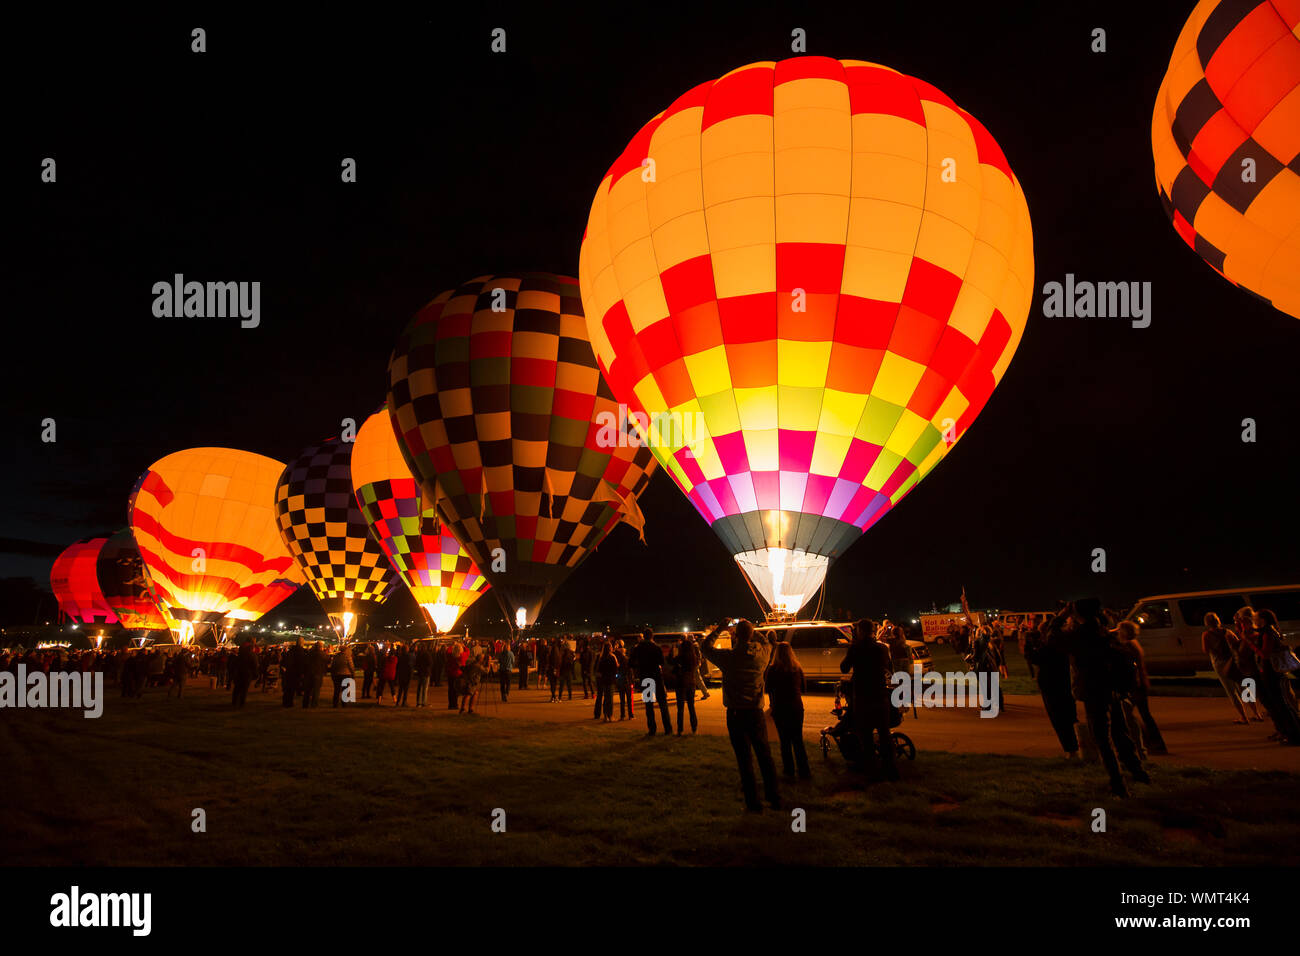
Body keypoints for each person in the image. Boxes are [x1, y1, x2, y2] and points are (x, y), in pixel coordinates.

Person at [1067, 599, 1148, 798]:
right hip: (1111, 689)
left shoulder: (1082, 635)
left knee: (1102, 738)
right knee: (1121, 733)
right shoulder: (1104, 631)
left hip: (1094, 690)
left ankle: (1118, 783)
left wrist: (1060, 616)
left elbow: (1052, 639)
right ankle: (1137, 771)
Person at [700, 619, 780, 812]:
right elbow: (770, 642)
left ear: (736, 636)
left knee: (744, 760)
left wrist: (720, 628)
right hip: (756, 712)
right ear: (751, 634)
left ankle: (753, 803)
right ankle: (774, 797)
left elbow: (705, 647)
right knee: (764, 756)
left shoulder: (729, 657)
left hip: (736, 713)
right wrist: (754, 632)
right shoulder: (762, 654)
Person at [839, 619, 898, 783]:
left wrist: (852, 649)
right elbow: (888, 667)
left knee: (865, 736)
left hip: (863, 697)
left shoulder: (856, 648)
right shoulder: (881, 648)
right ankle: (891, 769)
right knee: (885, 735)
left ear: (860, 631)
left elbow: (844, 667)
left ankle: (872, 771)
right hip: (880, 696)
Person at [1244, 609, 1300, 745]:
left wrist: (1250, 644)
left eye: (1256, 618)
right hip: (1270, 672)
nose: (1254, 621)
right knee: (1280, 703)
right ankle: (1290, 732)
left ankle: (1294, 735)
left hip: (1272, 673)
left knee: (1282, 704)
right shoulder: (1267, 631)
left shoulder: (1268, 633)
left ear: (1263, 620)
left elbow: (1265, 654)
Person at [1030, 609, 1079, 758]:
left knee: (1061, 719)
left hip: (1052, 686)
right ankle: (1080, 746)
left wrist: (1027, 647)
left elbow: (1036, 658)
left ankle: (1072, 749)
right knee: (1069, 717)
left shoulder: (1051, 646)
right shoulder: (1060, 645)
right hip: (1062, 684)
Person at [1114, 620, 1167, 755]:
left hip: (1135, 685)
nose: (1117, 632)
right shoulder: (1134, 644)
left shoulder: (1128, 646)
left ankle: (1151, 743)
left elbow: (1131, 665)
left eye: (1119, 630)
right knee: (1142, 714)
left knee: (1132, 715)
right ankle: (1154, 743)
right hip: (1139, 683)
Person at [765, 641, 811, 780]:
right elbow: (804, 688)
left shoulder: (773, 669)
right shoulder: (797, 668)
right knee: (798, 740)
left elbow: (767, 689)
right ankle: (804, 771)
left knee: (785, 741)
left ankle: (789, 770)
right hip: (796, 707)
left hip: (780, 708)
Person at [1201, 612, 1252, 724]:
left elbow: (1205, 650)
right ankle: (1256, 713)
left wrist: (1215, 649)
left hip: (1219, 664)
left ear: (1207, 623)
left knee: (1231, 690)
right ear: (1218, 620)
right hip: (1232, 661)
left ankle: (1244, 717)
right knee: (1243, 686)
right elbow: (1237, 643)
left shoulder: (1206, 635)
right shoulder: (1227, 632)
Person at [631, 629, 672, 736]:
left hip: (645, 677)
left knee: (649, 705)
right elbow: (662, 662)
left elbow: (631, 662)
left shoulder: (638, 648)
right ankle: (668, 728)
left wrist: (639, 667)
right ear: (652, 636)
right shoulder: (656, 647)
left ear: (643, 636)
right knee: (663, 704)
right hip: (656, 677)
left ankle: (652, 729)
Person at [674, 635, 699, 734]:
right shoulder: (694, 658)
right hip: (691, 683)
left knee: (680, 708)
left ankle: (680, 729)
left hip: (681, 682)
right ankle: (694, 727)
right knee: (691, 706)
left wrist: (675, 652)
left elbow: (670, 661)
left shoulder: (680, 657)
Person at [594, 641, 617, 722]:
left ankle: (605, 716)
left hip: (604, 680)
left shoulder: (601, 658)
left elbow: (599, 670)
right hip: (610, 680)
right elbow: (615, 669)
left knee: (606, 698)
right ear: (610, 648)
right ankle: (610, 715)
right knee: (609, 699)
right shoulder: (612, 657)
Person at [232, 641, 258, 708]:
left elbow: (235, 663)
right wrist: (255, 674)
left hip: (239, 673)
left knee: (237, 688)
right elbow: (255, 665)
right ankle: (241, 702)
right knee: (244, 689)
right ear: (252, 648)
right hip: (247, 674)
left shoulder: (241, 654)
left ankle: (234, 701)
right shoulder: (252, 655)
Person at [331, 643, 355, 707]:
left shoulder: (336, 656)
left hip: (337, 674)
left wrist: (333, 673)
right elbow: (351, 666)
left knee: (337, 690)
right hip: (346, 675)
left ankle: (335, 703)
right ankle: (344, 704)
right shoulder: (347, 657)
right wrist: (353, 673)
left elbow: (333, 666)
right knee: (345, 690)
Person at [304, 642, 327, 708]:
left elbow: (305, 662)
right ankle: (314, 704)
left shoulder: (309, 653)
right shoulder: (323, 654)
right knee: (316, 690)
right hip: (318, 673)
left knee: (307, 690)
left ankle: (305, 704)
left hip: (309, 673)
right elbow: (327, 660)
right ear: (321, 647)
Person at [459, 650, 483, 715]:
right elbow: (485, 671)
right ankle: (463, 709)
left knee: (474, 694)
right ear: (480, 659)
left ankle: (470, 709)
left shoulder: (473, 664)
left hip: (471, 681)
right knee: (468, 694)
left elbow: (465, 669)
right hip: (472, 682)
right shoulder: (477, 665)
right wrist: (489, 665)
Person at [395, 642, 412, 707]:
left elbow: (398, 666)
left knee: (400, 690)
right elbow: (409, 666)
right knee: (405, 690)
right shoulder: (408, 656)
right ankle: (404, 702)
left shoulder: (400, 656)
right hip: (406, 675)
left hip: (401, 675)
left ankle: (398, 702)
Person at [445, 643, 462, 710]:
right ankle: (455, 704)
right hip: (457, 675)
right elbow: (467, 652)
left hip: (450, 674)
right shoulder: (460, 657)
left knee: (450, 690)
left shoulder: (450, 656)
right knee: (456, 690)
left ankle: (451, 704)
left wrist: (451, 646)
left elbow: (447, 651)